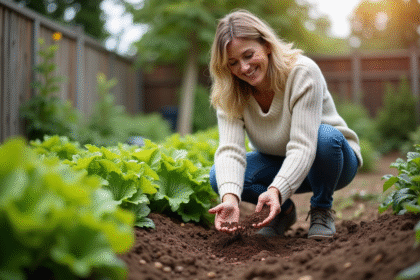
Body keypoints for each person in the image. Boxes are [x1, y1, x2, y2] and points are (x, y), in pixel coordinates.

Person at [207, 9, 363, 240]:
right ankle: (282, 212)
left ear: (267, 45)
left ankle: (321, 208)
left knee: (325, 137)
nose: (244, 67)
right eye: (233, 62)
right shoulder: (229, 92)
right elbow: (230, 150)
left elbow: (303, 145)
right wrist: (230, 198)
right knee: (218, 176)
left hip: (332, 160)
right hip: (279, 160)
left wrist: (275, 190)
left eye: (249, 55)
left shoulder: (302, 72)